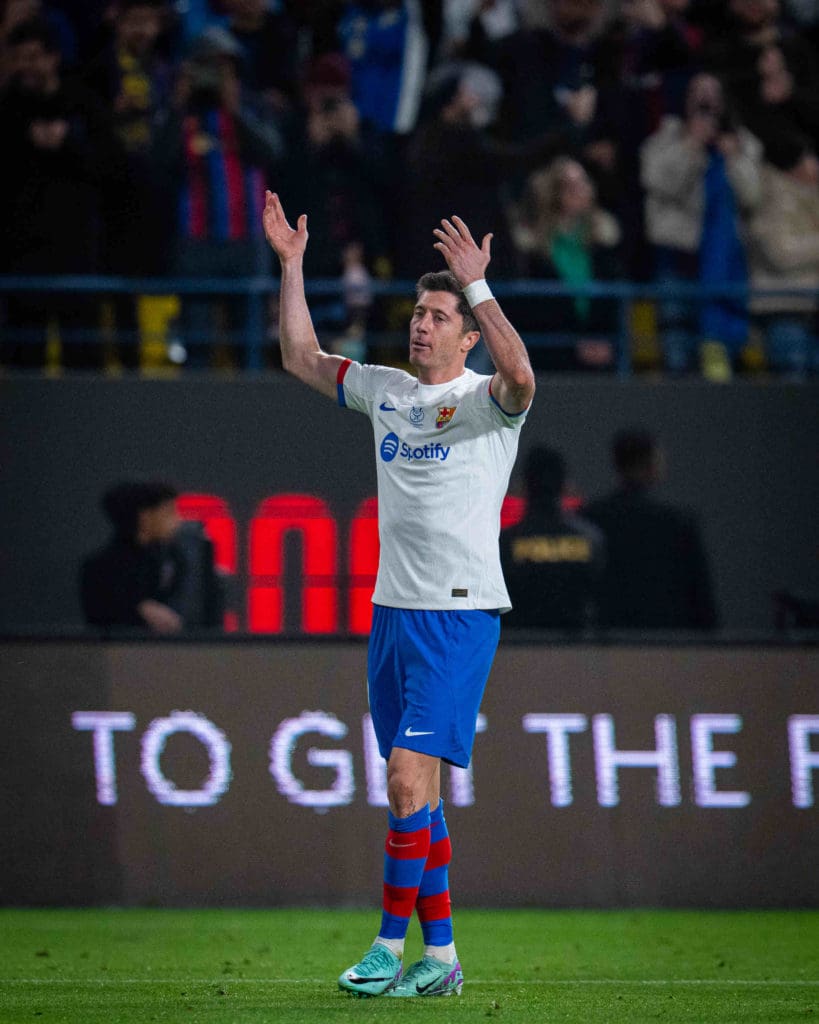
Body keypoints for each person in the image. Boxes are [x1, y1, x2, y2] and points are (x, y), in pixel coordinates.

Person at [262, 190, 535, 998]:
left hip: (457, 614)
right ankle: (442, 958)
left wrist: (479, 287)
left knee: (406, 783)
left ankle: (386, 946)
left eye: (438, 314)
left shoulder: (488, 403)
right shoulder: (384, 389)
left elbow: (522, 373)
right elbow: (299, 357)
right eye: (417, 311)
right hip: (391, 614)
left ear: (466, 332)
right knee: (422, 796)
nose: (420, 323)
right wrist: (291, 266)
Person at [640, 73, 763, 379]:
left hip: (728, 259)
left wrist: (733, 157)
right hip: (677, 256)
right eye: (699, 92)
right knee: (677, 340)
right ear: (686, 99)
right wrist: (692, 145)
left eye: (713, 93)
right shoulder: (665, 139)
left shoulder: (743, 143)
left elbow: (753, 196)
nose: (706, 100)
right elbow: (661, 183)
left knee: (722, 349)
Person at [585, 428, 719, 630]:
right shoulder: (679, 523)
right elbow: (700, 596)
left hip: (609, 639)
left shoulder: (591, 519)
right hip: (669, 641)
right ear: (652, 463)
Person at [508, 156, 622, 371]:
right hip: (549, 361)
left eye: (583, 183)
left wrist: (602, 341)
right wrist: (572, 346)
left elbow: (612, 302)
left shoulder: (604, 242)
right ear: (554, 192)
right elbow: (531, 310)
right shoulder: (532, 249)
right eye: (570, 185)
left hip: (600, 359)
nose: (579, 190)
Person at [80, 480, 224, 632]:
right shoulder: (100, 571)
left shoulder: (172, 560)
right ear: (145, 517)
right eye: (169, 512)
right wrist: (137, 610)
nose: (178, 520)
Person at [500, 446, 605, 629]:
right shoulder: (591, 540)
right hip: (579, 648)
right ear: (565, 484)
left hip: (519, 646)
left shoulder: (505, 544)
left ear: (523, 485)